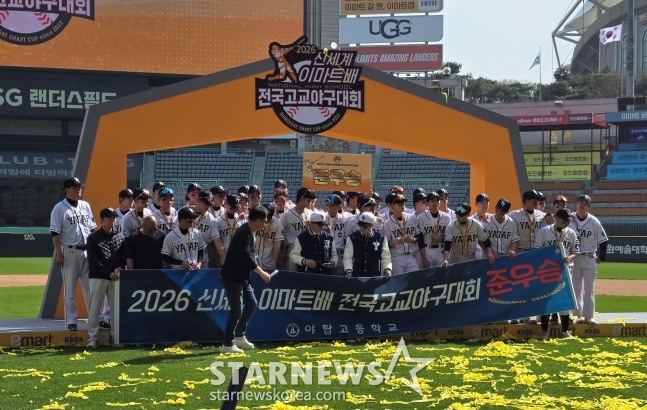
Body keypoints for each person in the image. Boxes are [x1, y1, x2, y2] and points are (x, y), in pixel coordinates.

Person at [220, 206, 272, 353]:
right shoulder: (244, 233)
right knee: (236, 310)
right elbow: (245, 256)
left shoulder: (249, 232)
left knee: (251, 304)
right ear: (257, 220)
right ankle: (227, 344)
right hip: (232, 277)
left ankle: (239, 336)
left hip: (242, 278)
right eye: (264, 221)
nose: (265, 225)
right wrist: (261, 273)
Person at [50, 177, 96, 331]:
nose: (79, 189)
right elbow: (55, 233)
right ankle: (71, 320)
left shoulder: (85, 205)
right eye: (75, 187)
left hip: (87, 251)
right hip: (69, 251)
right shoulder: (59, 208)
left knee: (90, 287)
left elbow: (92, 229)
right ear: (66, 190)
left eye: (79, 187)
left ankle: (94, 318)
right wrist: (59, 253)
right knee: (70, 288)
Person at [533, 208, 578, 339]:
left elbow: (575, 251)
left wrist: (570, 258)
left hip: (565, 271)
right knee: (546, 300)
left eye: (568, 221)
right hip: (547, 272)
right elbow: (536, 249)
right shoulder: (544, 231)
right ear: (556, 218)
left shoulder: (571, 233)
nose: (567, 224)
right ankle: (544, 332)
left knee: (564, 300)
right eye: (564, 221)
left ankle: (565, 331)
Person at [86, 208, 126, 348]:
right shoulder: (93, 237)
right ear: (101, 220)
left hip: (115, 277)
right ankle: (92, 339)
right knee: (94, 309)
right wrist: (108, 273)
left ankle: (117, 338)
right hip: (98, 276)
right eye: (109, 217)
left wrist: (120, 267)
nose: (112, 219)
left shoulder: (120, 237)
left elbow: (122, 257)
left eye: (114, 217)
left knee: (116, 310)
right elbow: (93, 260)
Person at [569, 195, 608, 325]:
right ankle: (578, 315)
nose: (582, 204)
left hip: (589, 256)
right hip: (574, 257)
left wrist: (601, 256)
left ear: (588, 207)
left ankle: (589, 316)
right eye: (580, 202)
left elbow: (603, 240)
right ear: (576, 204)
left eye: (585, 203)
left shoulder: (594, 221)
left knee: (589, 288)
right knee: (576, 288)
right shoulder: (570, 218)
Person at [343, 212, 392, 278]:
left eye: (365, 226)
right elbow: (347, 257)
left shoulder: (381, 239)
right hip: (356, 276)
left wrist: (387, 269)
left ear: (372, 225)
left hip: (374, 276)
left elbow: (386, 257)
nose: (361, 228)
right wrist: (348, 270)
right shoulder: (352, 238)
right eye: (360, 225)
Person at [382, 194, 421, 275]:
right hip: (397, 257)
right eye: (399, 205)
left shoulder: (412, 218)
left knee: (415, 278)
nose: (403, 206)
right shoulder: (387, 223)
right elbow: (386, 244)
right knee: (399, 280)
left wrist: (413, 240)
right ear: (392, 206)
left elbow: (419, 235)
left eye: (403, 204)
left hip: (411, 256)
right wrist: (395, 242)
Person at [283, 187, 316, 271]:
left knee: (306, 274)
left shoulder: (310, 213)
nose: (311, 202)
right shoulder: (287, 214)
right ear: (302, 199)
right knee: (292, 275)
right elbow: (281, 233)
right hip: (293, 248)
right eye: (308, 200)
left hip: (307, 249)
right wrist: (282, 250)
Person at [418, 192, 451, 268]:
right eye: (433, 201)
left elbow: (449, 237)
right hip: (427, 250)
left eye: (437, 200)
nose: (436, 203)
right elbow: (420, 240)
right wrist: (423, 258)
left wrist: (441, 239)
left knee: (441, 274)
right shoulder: (421, 218)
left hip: (441, 250)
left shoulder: (447, 217)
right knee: (428, 274)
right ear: (427, 203)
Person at [323, 194, 352, 275]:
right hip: (325, 253)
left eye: (332, 205)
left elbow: (358, 218)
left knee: (338, 280)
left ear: (339, 206)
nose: (328, 207)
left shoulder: (346, 218)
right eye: (327, 204)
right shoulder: (322, 217)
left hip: (339, 254)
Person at [214, 195, 246, 265]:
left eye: (236, 208)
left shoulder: (242, 220)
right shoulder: (218, 221)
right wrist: (218, 260)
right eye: (232, 207)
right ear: (226, 204)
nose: (234, 209)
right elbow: (216, 243)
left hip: (239, 258)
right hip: (224, 258)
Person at [193, 191, 219, 268]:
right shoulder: (187, 213)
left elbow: (217, 240)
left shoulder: (211, 219)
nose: (208, 206)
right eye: (206, 204)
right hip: (187, 256)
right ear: (198, 201)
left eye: (209, 204)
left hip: (203, 258)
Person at [255, 203, 284, 271]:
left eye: (268, 217)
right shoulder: (255, 220)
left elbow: (277, 243)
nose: (266, 220)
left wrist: (274, 260)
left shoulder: (277, 223)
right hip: (254, 259)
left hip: (268, 261)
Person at [471, 193, 491, 259]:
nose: (485, 205)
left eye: (486, 203)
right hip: (475, 255)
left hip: (490, 255)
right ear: (476, 204)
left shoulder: (492, 218)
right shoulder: (471, 220)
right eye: (482, 203)